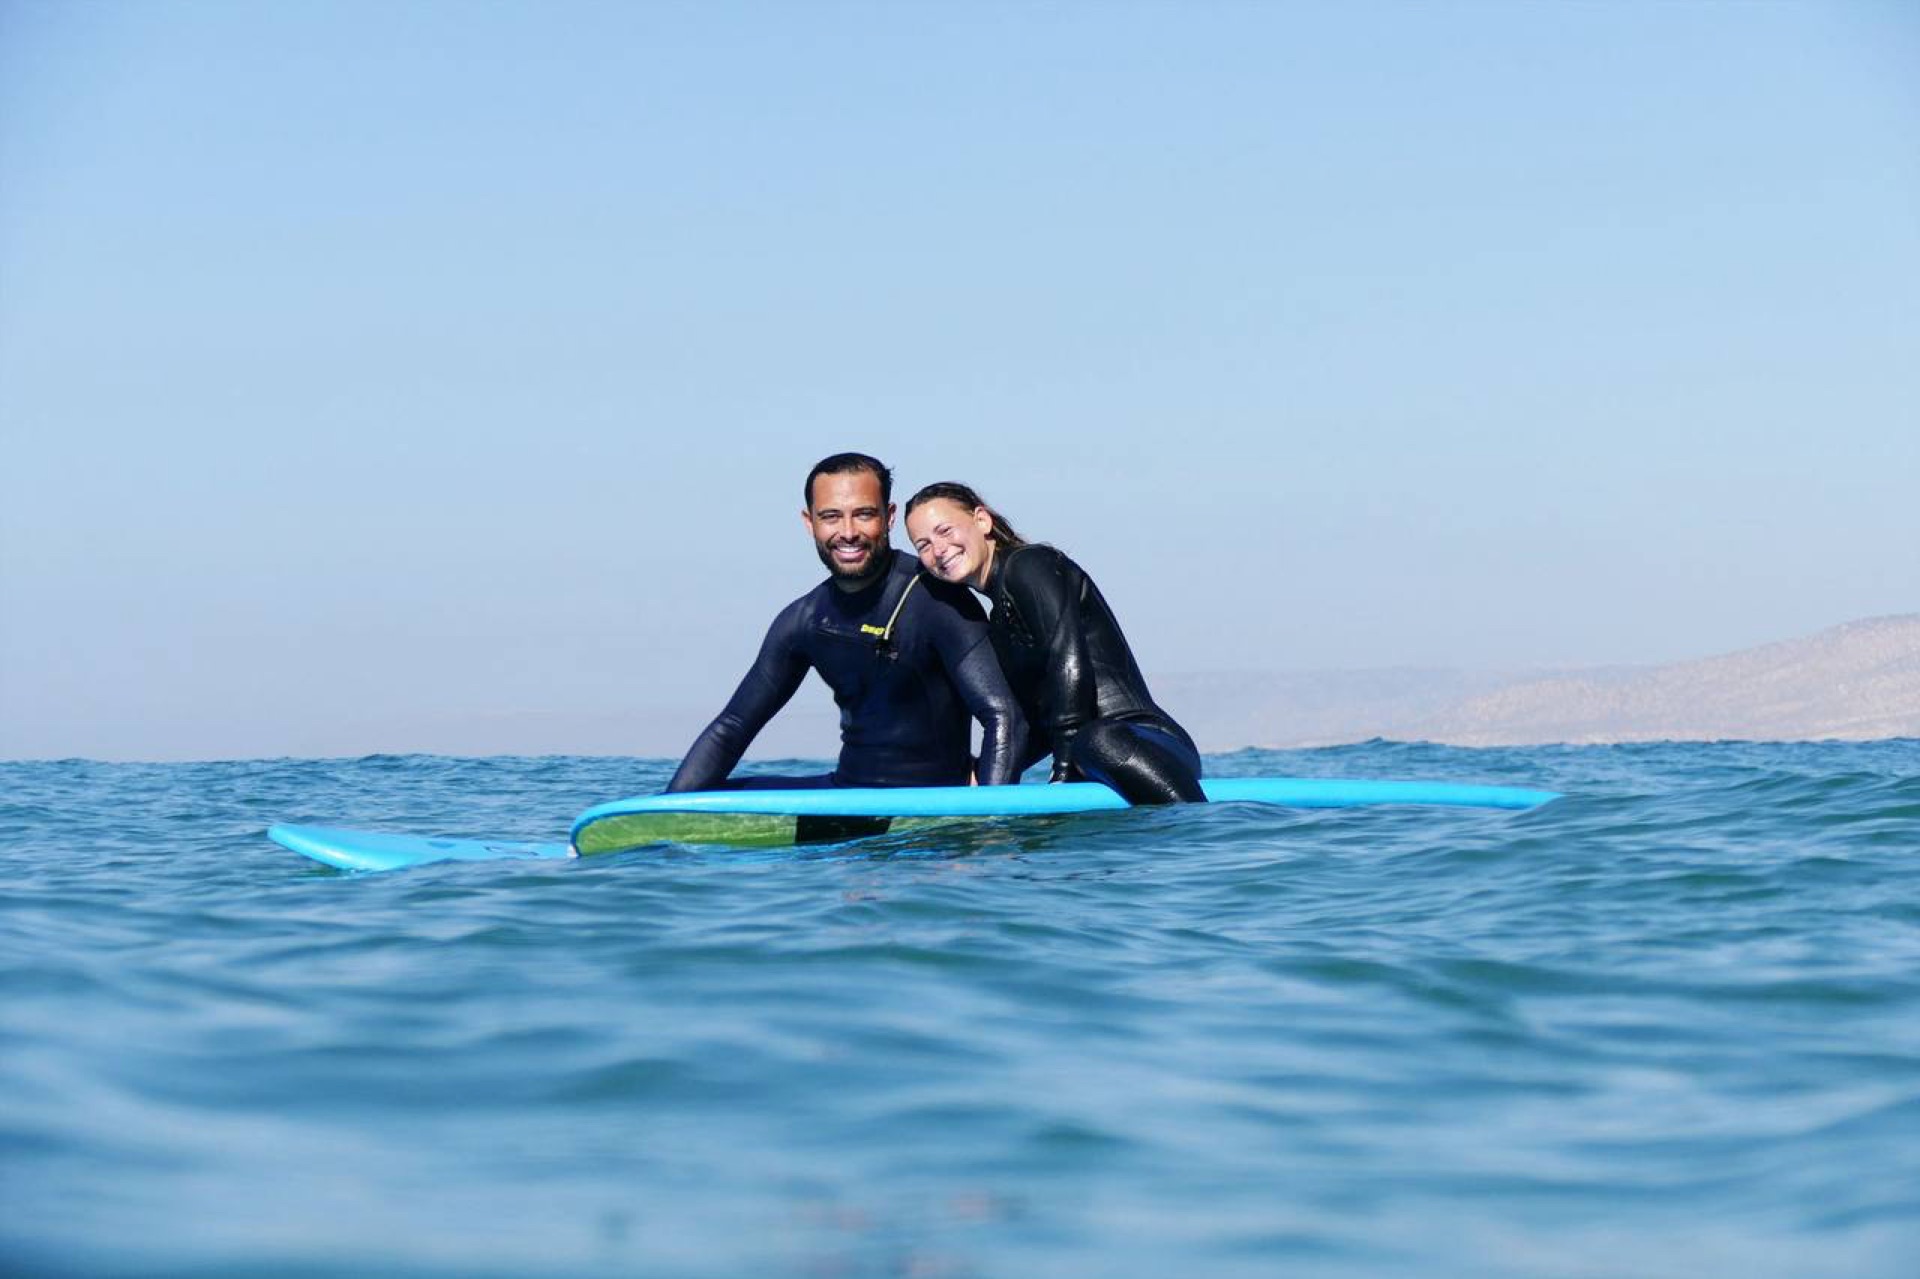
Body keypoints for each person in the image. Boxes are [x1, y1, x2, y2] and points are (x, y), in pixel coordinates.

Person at [667, 454, 1026, 794]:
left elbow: (1004, 716)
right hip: (847, 795)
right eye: (831, 517)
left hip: (930, 804)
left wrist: (987, 820)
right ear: (810, 523)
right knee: (710, 792)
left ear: (888, 517)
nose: (848, 532)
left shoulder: (937, 600)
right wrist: (664, 814)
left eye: (864, 514)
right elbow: (732, 728)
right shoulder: (803, 620)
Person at [903, 482, 1205, 804]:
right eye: (923, 544)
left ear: (982, 520)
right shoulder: (998, 623)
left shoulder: (1030, 564)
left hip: (1143, 743)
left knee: (1095, 739)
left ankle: (1198, 825)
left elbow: (1068, 658)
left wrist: (1063, 771)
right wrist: (980, 775)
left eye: (945, 530)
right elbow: (1037, 722)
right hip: (1096, 756)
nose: (938, 549)